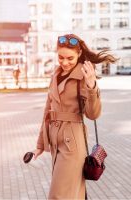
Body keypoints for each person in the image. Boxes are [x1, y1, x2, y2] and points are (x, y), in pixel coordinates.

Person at [32, 33, 118, 199]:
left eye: (70, 58)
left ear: (79, 54)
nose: (64, 62)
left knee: (59, 195)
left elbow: (93, 114)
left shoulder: (84, 76)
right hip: (56, 142)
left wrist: (92, 86)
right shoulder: (55, 75)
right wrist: (40, 145)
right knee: (71, 194)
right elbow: (47, 111)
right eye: (60, 57)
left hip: (72, 143)